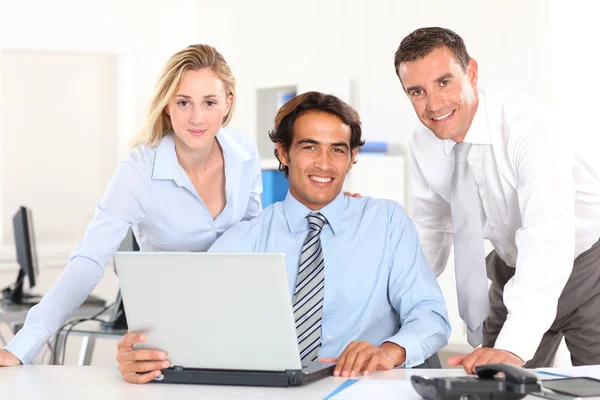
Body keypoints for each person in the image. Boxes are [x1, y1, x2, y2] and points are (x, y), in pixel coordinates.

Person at [115, 91, 451, 384]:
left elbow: (430, 316)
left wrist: (389, 351)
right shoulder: (246, 240)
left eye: (337, 150)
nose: (325, 164)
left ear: (352, 158)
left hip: (361, 387)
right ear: (283, 152)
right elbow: (193, 327)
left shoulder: (387, 223)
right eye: (309, 147)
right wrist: (144, 358)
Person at [0, 44, 262, 366]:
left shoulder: (244, 154)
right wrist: (22, 346)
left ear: (227, 103)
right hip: (169, 331)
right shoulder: (139, 171)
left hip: (235, 319)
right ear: (167, 105)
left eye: (209, 102)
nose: (197, 117)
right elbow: (89, 259)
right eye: (183, 102)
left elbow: (255, 240)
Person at [394, 27, 600, 373]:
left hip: (588, 268)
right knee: (491, 383)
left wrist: (513, 347)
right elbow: (431, 228)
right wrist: (396, 312)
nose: (433, 104)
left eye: (444, 82)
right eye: (417, 91)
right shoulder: (423, 142)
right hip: (511, 269)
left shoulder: (530, 127)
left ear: (471, 72)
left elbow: (547, 239)